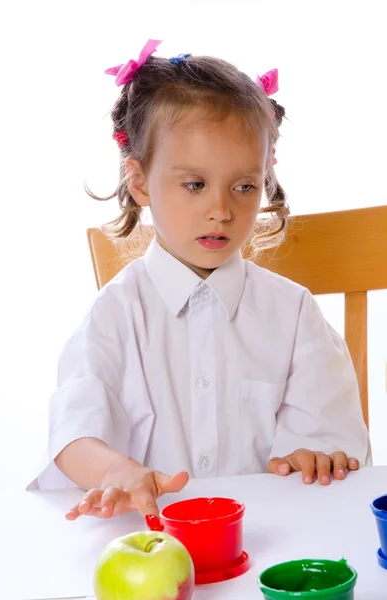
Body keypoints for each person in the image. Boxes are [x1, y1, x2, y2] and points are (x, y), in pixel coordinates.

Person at [28, 40, 371, 521]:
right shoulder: (113, 315)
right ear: (141, 181)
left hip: (268, 544)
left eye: (244, 186)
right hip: (150, 545)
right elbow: (72, 435)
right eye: (195, 184)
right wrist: (112, 470)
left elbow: (331, 443)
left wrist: (313, 459)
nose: (222, 210)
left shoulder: (293, 314)